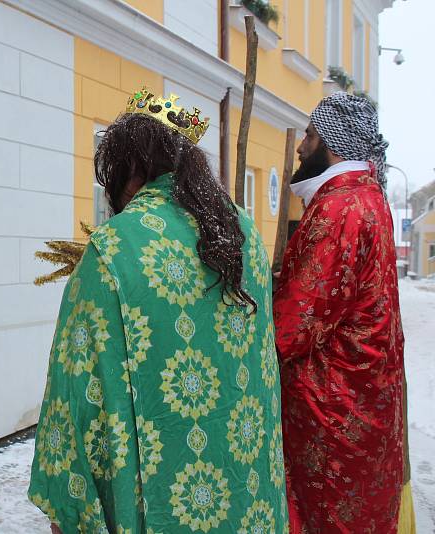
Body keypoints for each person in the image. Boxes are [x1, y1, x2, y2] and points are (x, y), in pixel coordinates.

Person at [28, 88, 288, 532]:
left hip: (159, 500)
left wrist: (71, 502)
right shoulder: (245, 233)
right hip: (247, 493)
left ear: (131, 169)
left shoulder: (115, 247)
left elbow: (76, 393)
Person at [273, 91, 407, 533]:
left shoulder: (338, 208)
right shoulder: (369, 200)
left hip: (332, 404)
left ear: (331, 141)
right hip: (366, 394)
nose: (300, 146)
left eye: (308, 135)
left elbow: (296, 325)